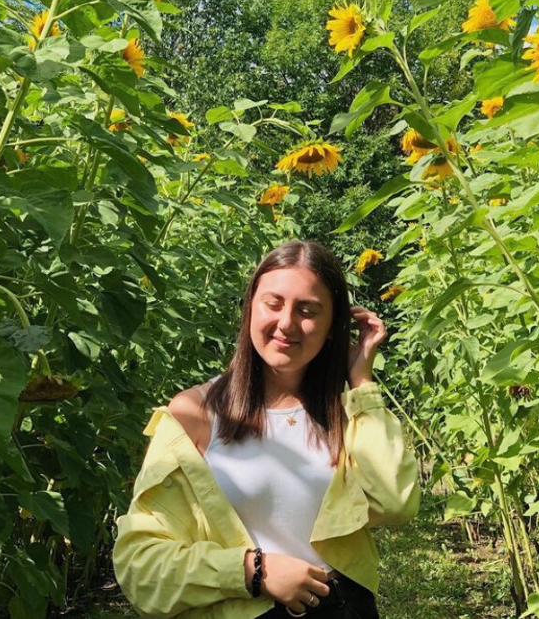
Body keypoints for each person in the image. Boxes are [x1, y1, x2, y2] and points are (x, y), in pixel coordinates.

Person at [114, 240, 421, 619]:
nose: (287, 323)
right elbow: (141, 564)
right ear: (249, 310)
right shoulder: (194, 414)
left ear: (331, 329)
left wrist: (361, 381)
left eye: (308, 310)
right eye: (273, 304)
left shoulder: (347, 416)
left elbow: (396, 502)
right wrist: (253, 571)